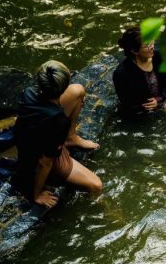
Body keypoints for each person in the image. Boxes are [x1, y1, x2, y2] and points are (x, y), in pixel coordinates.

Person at [12, 61, 102, 207]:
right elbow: (45, 162)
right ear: (63, 86)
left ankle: (71, 138)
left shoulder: (28, 92)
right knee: (96, 185)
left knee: (78, 90)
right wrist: (36, 195)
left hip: (30, 136)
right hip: (39, 156)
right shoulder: (59, 121)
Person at [113, 27, 166, 116]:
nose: (152, 46)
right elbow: (128, 103)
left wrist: (161, 99)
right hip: (141, 113)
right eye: (147, 45)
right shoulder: (121, 74)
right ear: (134, 51)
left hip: (164, 100)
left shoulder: (161, 57)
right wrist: (156, 106)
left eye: (152, 41)